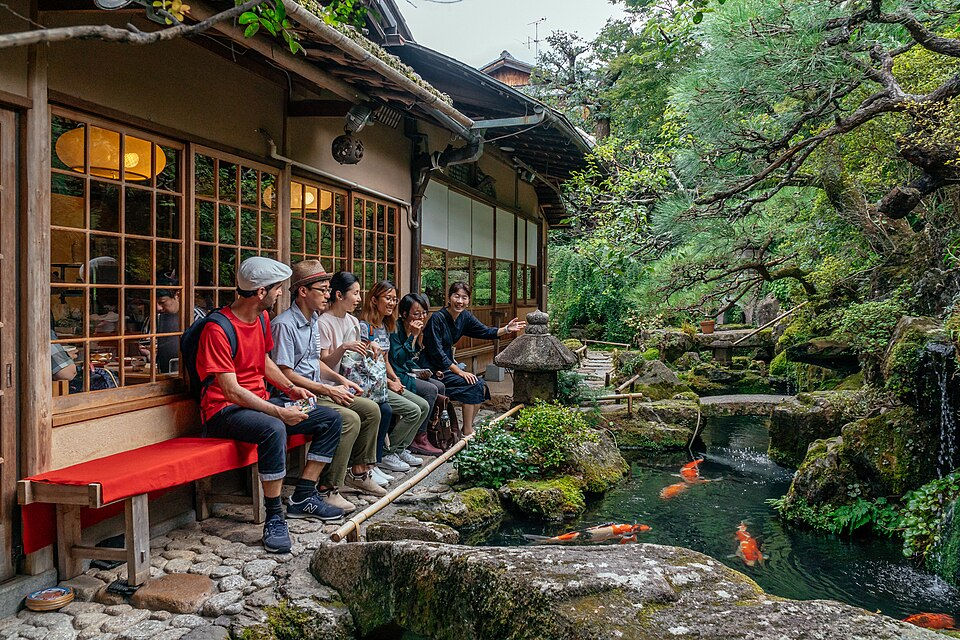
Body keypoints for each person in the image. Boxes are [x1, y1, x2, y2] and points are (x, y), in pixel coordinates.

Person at [195, 256, 345, 555]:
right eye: (278, 289)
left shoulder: (261, 319)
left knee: (329, 417)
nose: (281, 294)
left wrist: (292, 388)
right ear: (262, 292)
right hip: (223, 411)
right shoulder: (217, 328)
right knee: (274, 427)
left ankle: (303, 495)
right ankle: (275, 516)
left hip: (259, 400)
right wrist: (279, 410)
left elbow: (263, 362)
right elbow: (231, 390)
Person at [270, 260, 386, 515]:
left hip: (317, 392)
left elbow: (316, 363)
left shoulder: (312, 321)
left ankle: (358, 472)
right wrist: (328, 390)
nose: (327, 294)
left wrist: (341, 380)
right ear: (303, 291)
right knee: (348, 419)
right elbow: (284, 374)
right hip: (293, 398)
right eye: (322, 290)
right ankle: (327, 487)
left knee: (371, 409)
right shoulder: (284, 325)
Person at [316, 272, 396, 486]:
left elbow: (357, 352)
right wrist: (343, 348)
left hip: (351, 382)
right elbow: (323, 361)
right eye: (356, 293)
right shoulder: (324, 323)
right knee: (366, 412)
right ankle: (350, 474)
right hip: (331, 385)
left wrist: (371, 347)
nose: (359, 298)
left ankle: (364, 468)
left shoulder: (352, 320)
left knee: (377, 409)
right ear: (340, 295)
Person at [422, 281, 526, 435]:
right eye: (456, 296)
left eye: (464, 298)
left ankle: (467, 427)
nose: (460, 301)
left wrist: (506, 329)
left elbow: (484, 331)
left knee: (479, 385)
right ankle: (468, 430)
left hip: (448, 367)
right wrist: (459, 371)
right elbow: (436, 351)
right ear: (449, 297)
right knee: (470, 383)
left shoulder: (464, 317)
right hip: (432, 368)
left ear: (468, 300)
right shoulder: (437, 318)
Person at [358, 281, 430, 470]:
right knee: (413, 409)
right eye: (387, 298)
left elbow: (386, 360)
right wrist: (391, 382)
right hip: (371, 385)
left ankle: (399, 449)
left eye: (394, 299)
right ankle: (389, 454)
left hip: (387, 380)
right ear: (374, 300)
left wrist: (394, 378)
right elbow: (366, 364)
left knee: (423, 405)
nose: (391, 303)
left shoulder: (384, 326)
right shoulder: (365, 327)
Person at [391, 293, 443, 455]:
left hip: (408, 371)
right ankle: (418, 439)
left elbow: (411, 359)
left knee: (439, 385)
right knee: (430, 390)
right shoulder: (396, 329)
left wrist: (424, 372)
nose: (421, 317)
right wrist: (412, 336)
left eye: (424, 313)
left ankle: (429, 432)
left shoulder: (416, 329)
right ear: (404, 314)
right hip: (396, 374)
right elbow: (398, 359)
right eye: (416, 313)